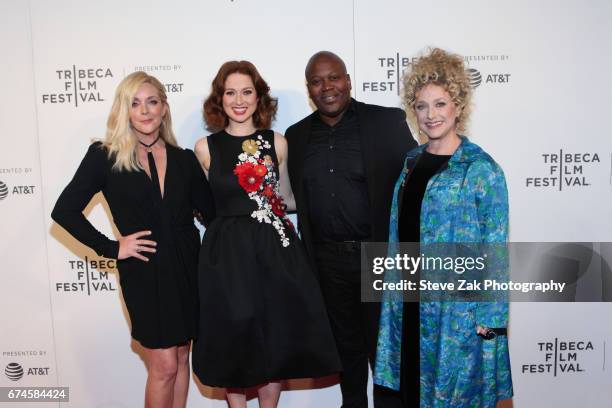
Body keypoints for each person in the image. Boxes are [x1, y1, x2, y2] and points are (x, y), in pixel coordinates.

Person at [51, 71, 215, 408]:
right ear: (124, 111)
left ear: (164, 108)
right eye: (135, 103)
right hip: (144, 270)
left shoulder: (184, 159)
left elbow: (214, 214)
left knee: (183, 357)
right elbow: (64, 211)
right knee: (164, 365)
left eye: (152, 102)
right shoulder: (105, 156)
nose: (145, 111)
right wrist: (113, 248)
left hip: (187, 267)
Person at [191, 60, 341, 408]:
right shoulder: (203, 148)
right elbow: (204, 205)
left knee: (275, 341)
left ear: (259, 98)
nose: (239, 100)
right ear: (220, 98)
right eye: (231, 92)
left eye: (247, 92)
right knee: (234, 339)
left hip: (275, 252)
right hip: (227, 257)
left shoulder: (278, 142)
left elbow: (286, 199)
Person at [373, 48, 513, 407]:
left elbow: (495, 247)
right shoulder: (410, 163)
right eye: (422, 105)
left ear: (458, 106)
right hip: (407, 304)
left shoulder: (482, 170)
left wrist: (490, 316)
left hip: (455, 313)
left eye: (440, 104)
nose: (431, 114)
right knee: (409, 392)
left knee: (453, 396)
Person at [285, 51, 417, 408]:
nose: (327, 87)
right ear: (309, 88)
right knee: (346, 357)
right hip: (326, 262)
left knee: (386, 356)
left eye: (334, 77)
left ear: (348, 80)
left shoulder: (386, 122)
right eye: (317, 81)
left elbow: (416, 185)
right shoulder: (295, 137)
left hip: (377, 258)